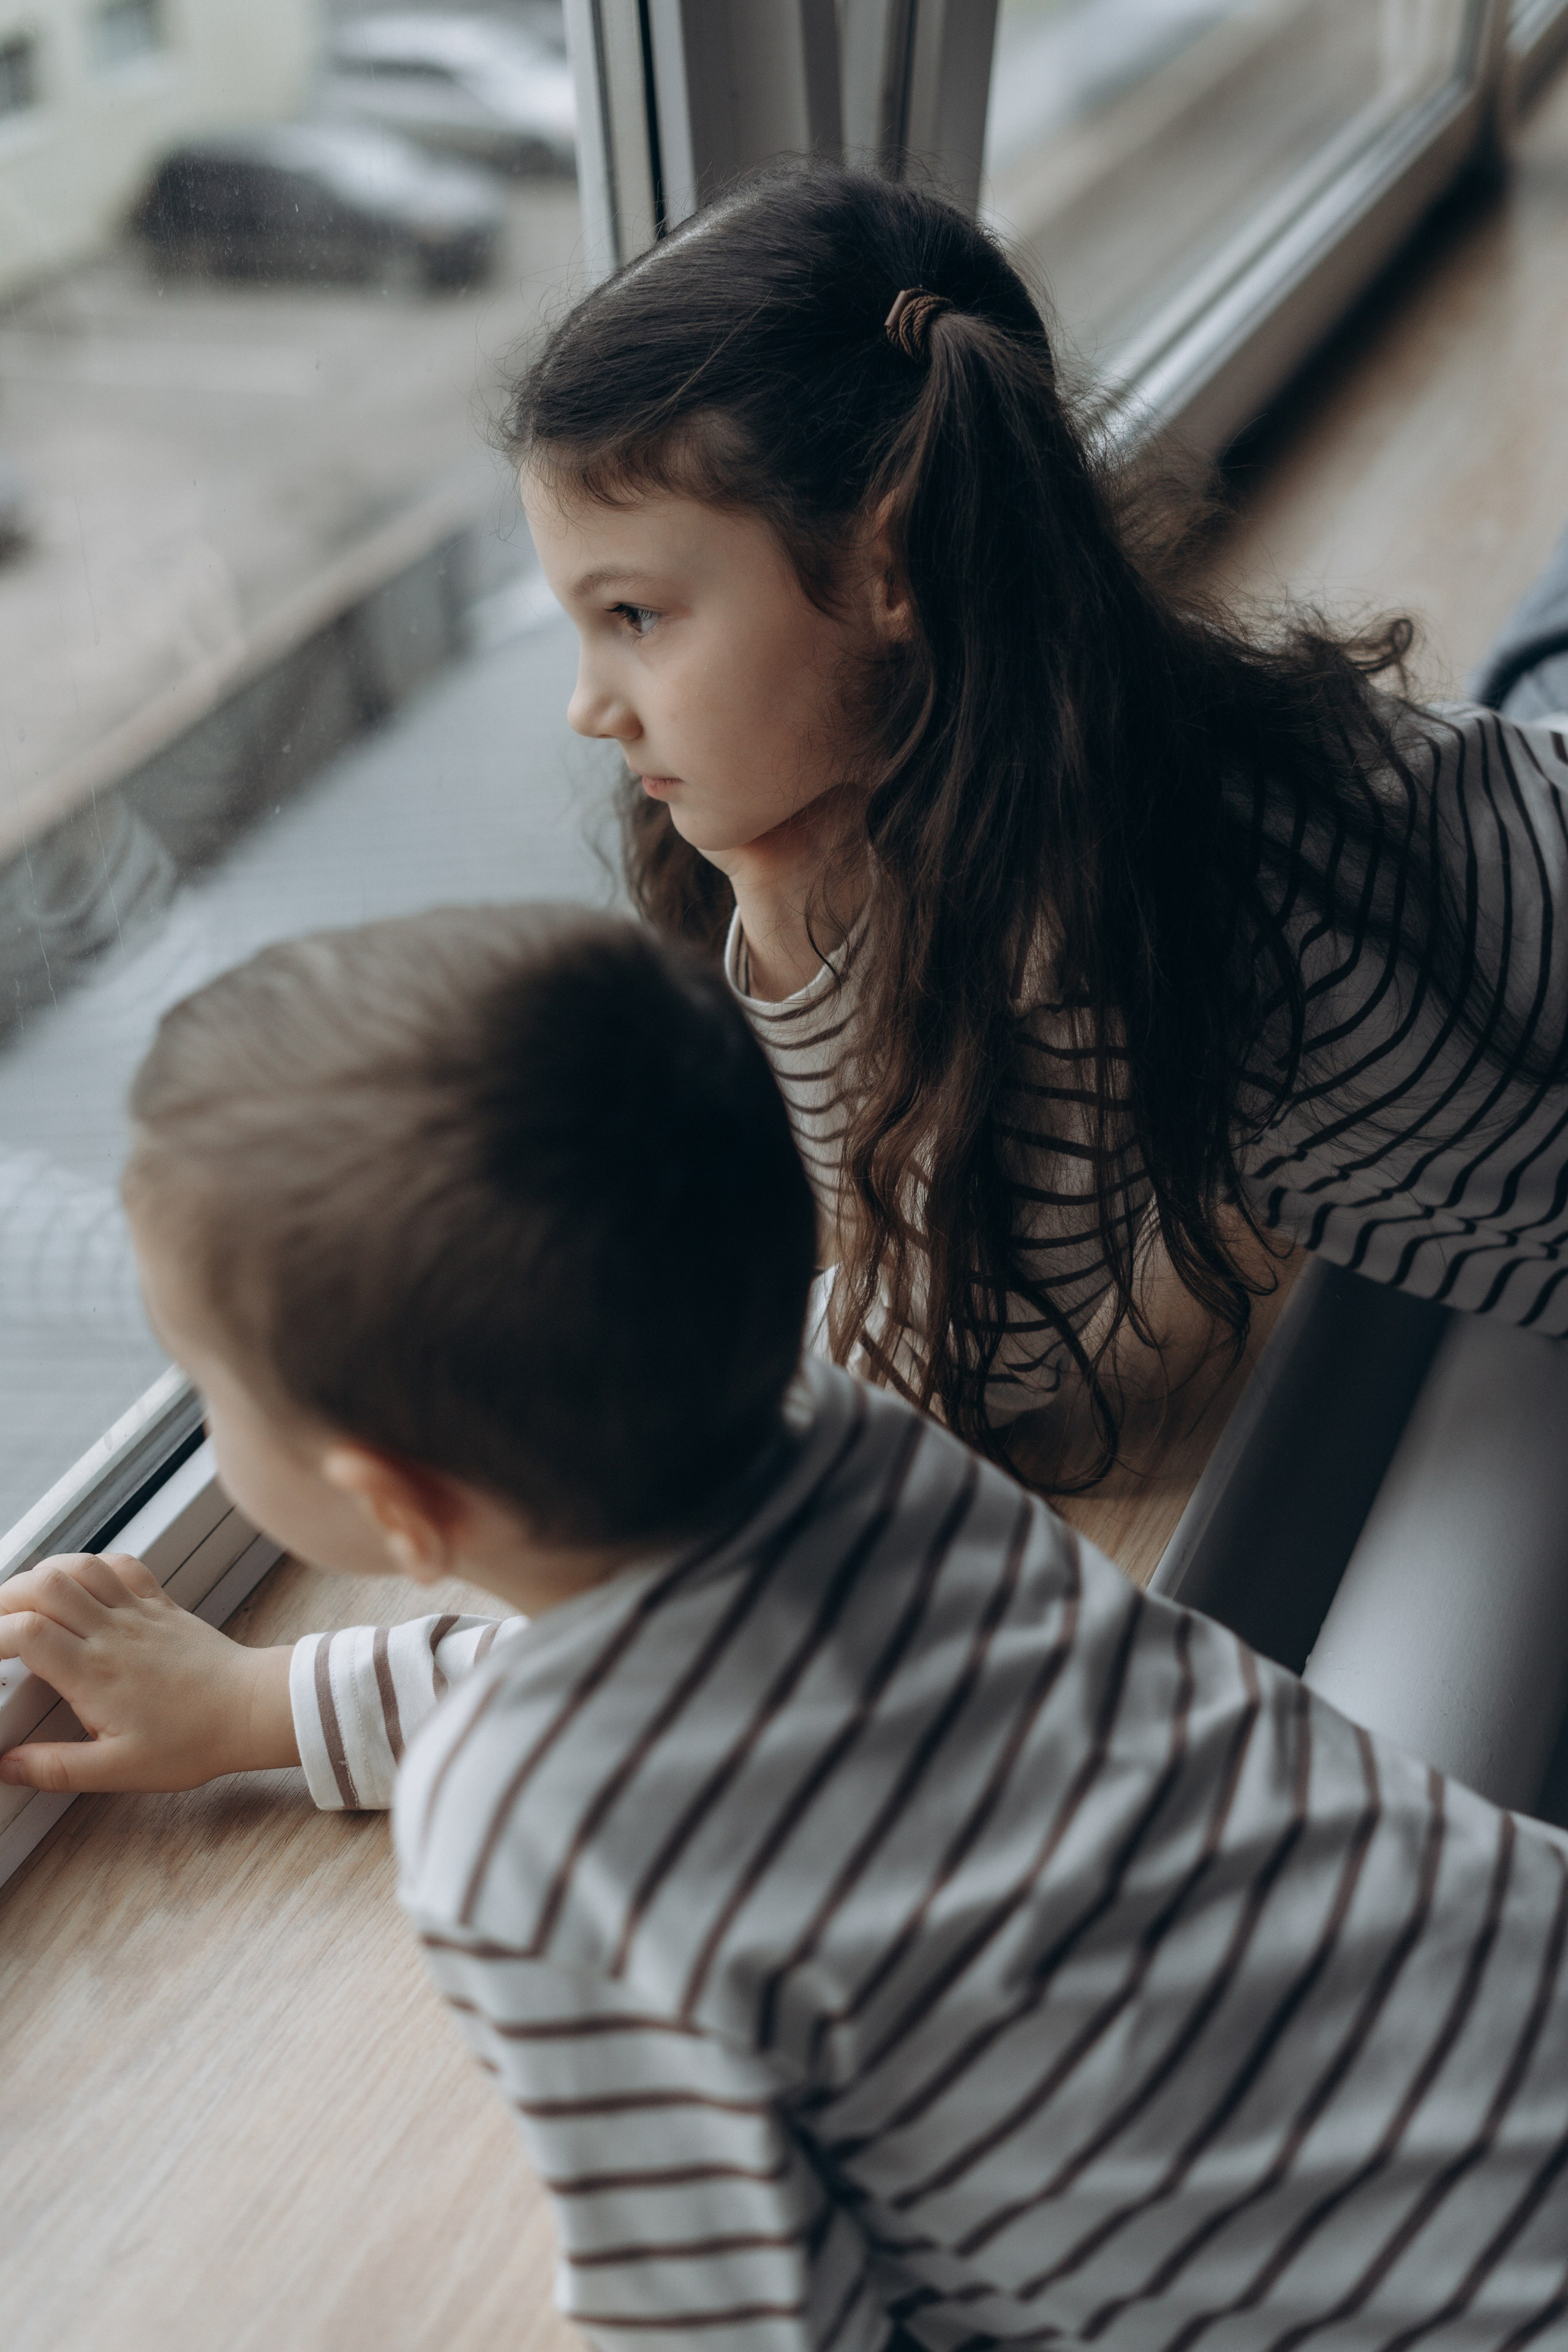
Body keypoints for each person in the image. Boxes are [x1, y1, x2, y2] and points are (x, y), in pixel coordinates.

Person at [4, 903, 1568, 2350]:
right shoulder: (845, 1440)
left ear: (397, 1510)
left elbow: (746, 2313)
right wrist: (272, 1705)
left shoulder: (526, 1839)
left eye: (213, 1396)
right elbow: (676, 1672)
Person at [507, 160, 1568, 1485]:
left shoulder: (1079, 926)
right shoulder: (1090, 733)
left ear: (889, 567)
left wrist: (777, 923)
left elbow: (940, 1373)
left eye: (635, 618)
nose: (586, 706)